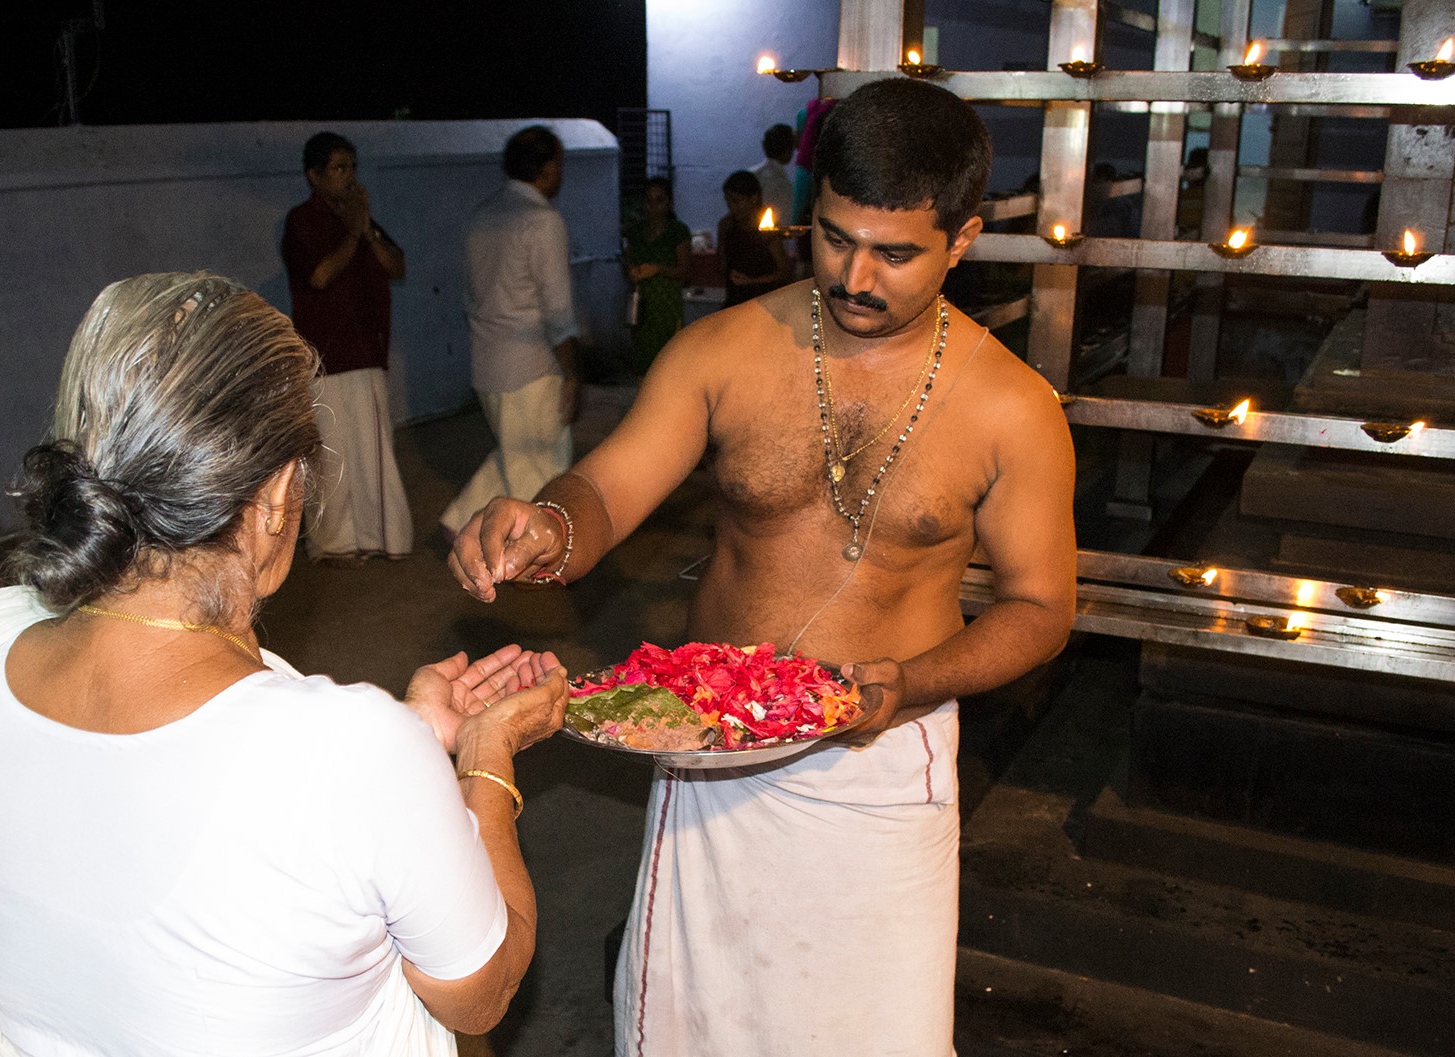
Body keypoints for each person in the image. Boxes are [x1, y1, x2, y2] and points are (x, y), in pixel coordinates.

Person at [446, 78, 1077, 1056]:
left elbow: (1040, 608)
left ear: (964, 238)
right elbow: (605, 494)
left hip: (883, 766)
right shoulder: (723, 352)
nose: (855, 276)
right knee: (696, 1031)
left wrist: (904, 682)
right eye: (832, 237)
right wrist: (545, 528)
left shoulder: (1013, 407)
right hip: (713, 760)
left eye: (895, 253)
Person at [0, 272, 571, 1057]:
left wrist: (412, 738)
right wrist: (484, 760)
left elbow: (174, 799)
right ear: (279, 495)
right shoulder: (353, 752)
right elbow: (481, 992)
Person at [438, 125, 581, 538]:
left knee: (518, 453)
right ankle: (527, 556)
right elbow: (557, 309)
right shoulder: (542, 220)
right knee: (540, 466)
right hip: (531, 365)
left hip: (489, 363)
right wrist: (573, 371)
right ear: (548, 169)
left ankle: (460, 521)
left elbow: (470, 297)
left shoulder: (482, 217)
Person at [283, 131, 414, 562]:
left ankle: (379, 537)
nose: (349, 177)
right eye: (339, 168)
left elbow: (396, 265)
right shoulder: (302, 221)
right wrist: (354, 234)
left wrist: (366, 232)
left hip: (366, 349)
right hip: (325, 355)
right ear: (314, 175)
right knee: (333, 453)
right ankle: (333, 545)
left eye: (352, 167)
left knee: (374, 447)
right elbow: (320, 276)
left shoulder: (358, 218)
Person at [620, 176, 690, 375]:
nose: (653, 207)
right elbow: (627, 264)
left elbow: (684, 272)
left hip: (667, 308)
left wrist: (658, 269)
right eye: (649, 201)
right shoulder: (635, 232)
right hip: (642, 307)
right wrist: (632, 271)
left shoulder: (678, 232)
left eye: (659, 200)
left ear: (669, 203)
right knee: (644, 366)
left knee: (668, 365)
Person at [716, 169, 792, 308]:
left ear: (754, 198)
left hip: (764, 303)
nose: (732, 208)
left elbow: (784, 272)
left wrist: (751, 281)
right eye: (728, 202)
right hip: (736, 301)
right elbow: (723, 264)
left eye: (737, 201)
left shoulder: (766, 229)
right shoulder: (727, 225)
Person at [751, 122, 797, 222]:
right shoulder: (782, 184)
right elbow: (783, 221)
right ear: (788, 151)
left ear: (764, 145)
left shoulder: (751, 174)